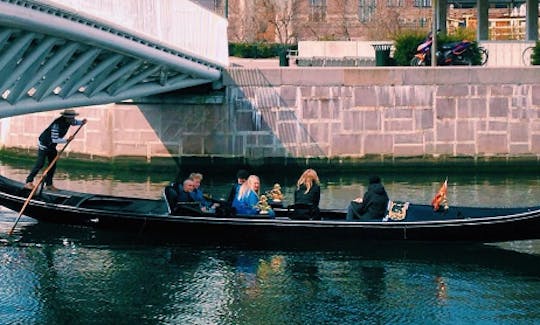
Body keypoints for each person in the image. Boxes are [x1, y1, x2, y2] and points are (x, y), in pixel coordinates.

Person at [24, 109, 87, 191]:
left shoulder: (69, 121)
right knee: (40, 164)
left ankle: (49, 185)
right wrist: (67, 140)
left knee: (52, 165)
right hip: (44, 144)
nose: (72, 119)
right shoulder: (56, 124)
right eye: (71, 118)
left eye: (73, 118)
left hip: (52, 146)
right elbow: (54, 139)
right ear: (66, 118)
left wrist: (81, 122)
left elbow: (75, 122)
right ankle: (28, 182)